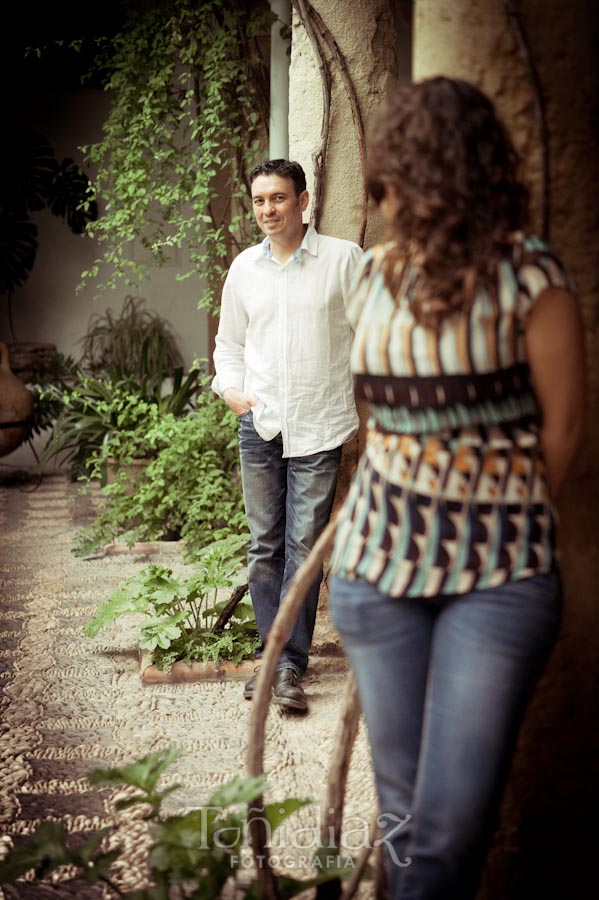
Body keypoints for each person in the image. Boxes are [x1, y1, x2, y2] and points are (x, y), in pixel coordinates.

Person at [328, 77, 585, 898]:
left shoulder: (529, 274)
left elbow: (564, 432)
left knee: (447, 834)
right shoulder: (371, 276)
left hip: (498, 575)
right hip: (374, 569)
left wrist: (481, 507)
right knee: (404, 820)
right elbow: (379, 421)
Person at [212, 158, 363, 712]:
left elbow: (372, 334)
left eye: (278, 198)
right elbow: (228, 346)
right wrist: (231, 390)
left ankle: (289, 665)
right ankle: (273, 656)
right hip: (260, 422)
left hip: (320, 424)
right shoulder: (244, 269)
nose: (268, 210)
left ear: (303, 200)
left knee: (303, 547)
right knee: (264, 545)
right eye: (259, 201)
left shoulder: (344, 260)